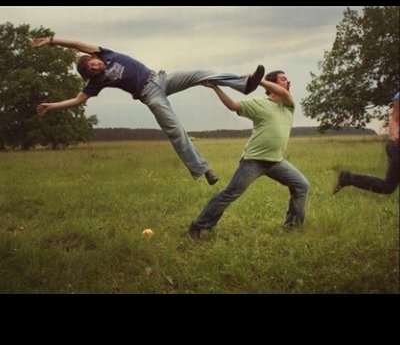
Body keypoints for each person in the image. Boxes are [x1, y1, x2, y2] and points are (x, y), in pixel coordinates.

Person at [31, 36, 265, 185]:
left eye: (92, 63)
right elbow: (77, 100)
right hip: (150, 95)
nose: (95, 66)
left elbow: (76, 44)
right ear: (91, 75)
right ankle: (204, 170)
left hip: (161, 78)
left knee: (201, 74)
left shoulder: (105, 53)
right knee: (175, 130)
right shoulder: (98, 81)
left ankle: (244, 84)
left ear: (93, 57)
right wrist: (53, 106)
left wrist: (51, 40)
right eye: (91, 70)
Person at [188, 70, 310, 239]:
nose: (288, 82)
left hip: (276, 161)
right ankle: (199, 226)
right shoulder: (258, 103)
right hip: (254, 161)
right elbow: (233, 106)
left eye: (288, 79)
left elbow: (283, 94)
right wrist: (216, 88)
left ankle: (293, 226)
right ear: (272, 84)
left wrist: (257, 80)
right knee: (230, 193)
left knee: (302, 185)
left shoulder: (288, 104)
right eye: (283, 79)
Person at [333, 91, 399, 195]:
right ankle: (348, 178)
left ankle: (348, 178)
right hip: (396, 146)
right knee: (388, 187)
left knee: (388, 187)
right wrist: (394, 135)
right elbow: (394, 119)